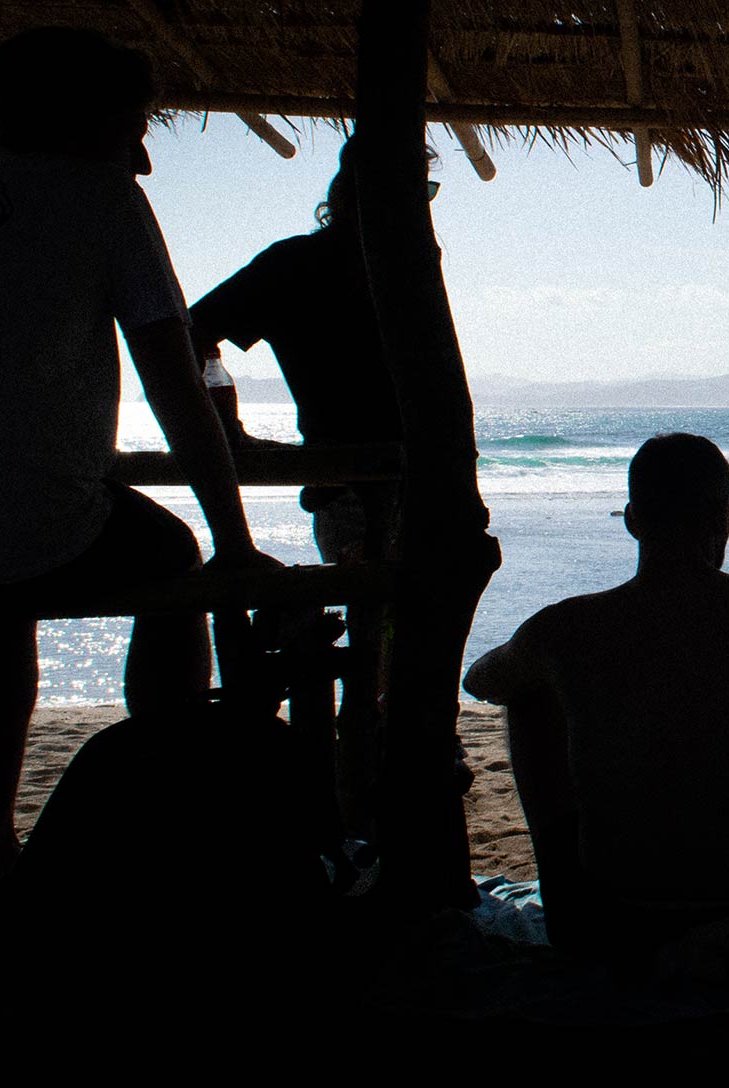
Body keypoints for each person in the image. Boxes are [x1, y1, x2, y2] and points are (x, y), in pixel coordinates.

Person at [0, 28, 274, 907]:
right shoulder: (100, 199)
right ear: (89, 122)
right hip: (19, 528)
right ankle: (153, 796)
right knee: (170, 560)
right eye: (135, 128)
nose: (144, 159)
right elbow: (178, 389)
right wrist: (236, 544)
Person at [463, 434, 729, 969]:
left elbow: (481, 681)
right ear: (723, 520)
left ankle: (563, 883)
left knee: (529, 696)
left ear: (632, 520)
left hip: (616, 908)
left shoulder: (569, 627)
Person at [187, 137, 427, 830]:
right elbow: (193, 328)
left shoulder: (381, 263)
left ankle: (368, 777)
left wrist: (224, 418)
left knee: (385, 637)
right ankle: (363, 790)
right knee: (381, 634)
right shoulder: (309, 264)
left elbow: (197, 331)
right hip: (361, 484)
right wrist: (224, 423)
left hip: (386, 481)